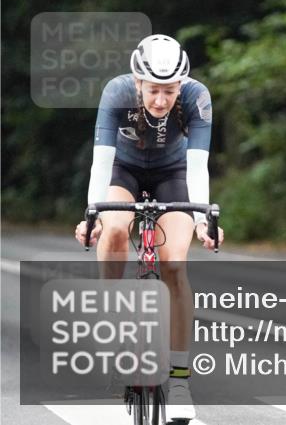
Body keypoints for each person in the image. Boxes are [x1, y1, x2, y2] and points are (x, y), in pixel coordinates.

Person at [73, 34, 224, 422]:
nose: (161, 101)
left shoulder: (196, 97)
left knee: (175, 263)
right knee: (117, 230)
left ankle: (178, 381)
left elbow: (196, 167)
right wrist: (92, 216)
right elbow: (101, 162)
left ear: (181, 85)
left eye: (169, 91)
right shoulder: (116, 92)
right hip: (122, 171)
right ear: (137, 82)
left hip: (172, 174)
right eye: (153, 90)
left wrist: (205, 221)